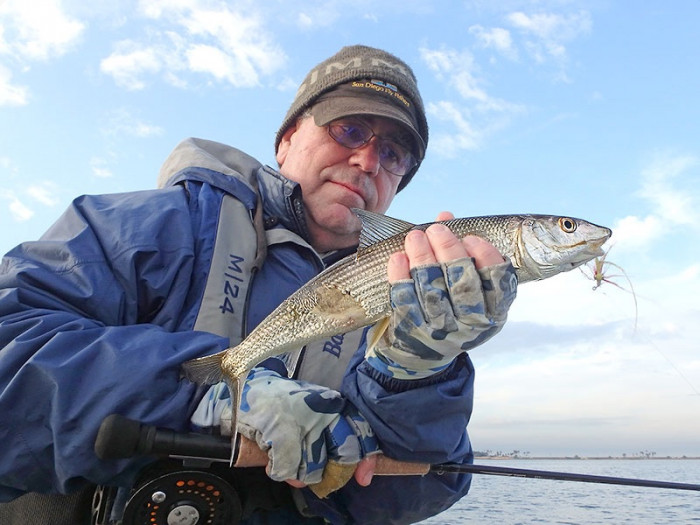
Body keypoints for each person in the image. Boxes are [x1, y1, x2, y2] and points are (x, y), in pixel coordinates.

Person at [0, 44, 517, 524]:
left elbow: (424, 488)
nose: (367, 161)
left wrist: (416, 376)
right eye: (351, 131)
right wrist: (196, 399)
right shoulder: (147, 225)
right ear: (288, 138)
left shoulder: (410, 294)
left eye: (394, 155)